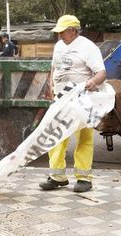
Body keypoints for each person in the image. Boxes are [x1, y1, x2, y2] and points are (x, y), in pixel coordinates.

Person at [39, 14, 107, 193]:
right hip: (61, 99)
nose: (59, 35)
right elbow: (54, 68)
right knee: (55, 137)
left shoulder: (88, 47)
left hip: (82, 100)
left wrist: (92, 83)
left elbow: (101, 72)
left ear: (73, 30)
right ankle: (57, 176)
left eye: (62, 31)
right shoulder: (59, 46)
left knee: (84, 138)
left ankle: (84, 179)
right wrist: (51, 85)